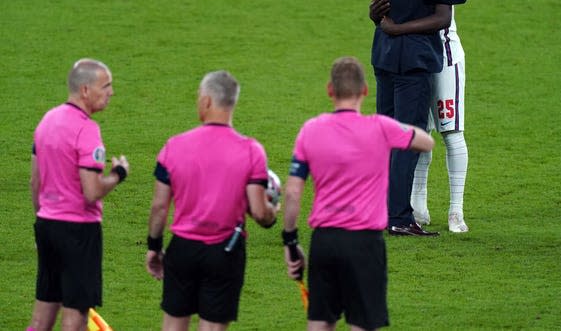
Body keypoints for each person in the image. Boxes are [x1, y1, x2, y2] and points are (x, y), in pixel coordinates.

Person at [282, 57, 436, 330]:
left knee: (319, 324)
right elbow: (426, 142)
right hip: (365, 244)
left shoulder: (311, 130)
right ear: (365, 91)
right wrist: (397, 129)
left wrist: (291, 241)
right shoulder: (381, 128)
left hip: (325, 241)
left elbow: (293, 193)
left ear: (330, 90)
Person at [145, 70, 279, 331]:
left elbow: (159, 206)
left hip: (182, 250)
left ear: (206, 101)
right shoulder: (252, 151)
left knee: (173, 325)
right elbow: (261, 214)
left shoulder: (174, 146)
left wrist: (154, 246)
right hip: (225, 251)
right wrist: (272, 210)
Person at [368, 0, 468, 235]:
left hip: (383, 57)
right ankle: (398, 218)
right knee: (408, 138)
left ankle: (382, 211)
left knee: (386, 136)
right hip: (412, 63)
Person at [28, 58, 129, 331]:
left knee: (42, 316)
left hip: (47, 225)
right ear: (85, 90)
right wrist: (118, 174)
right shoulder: (87, 130)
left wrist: (41, 222)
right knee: (75, 318)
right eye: (106, 86)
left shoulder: (47, 120)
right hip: (78, 232)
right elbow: (91, 191)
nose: (111, 92)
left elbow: (35, 181)